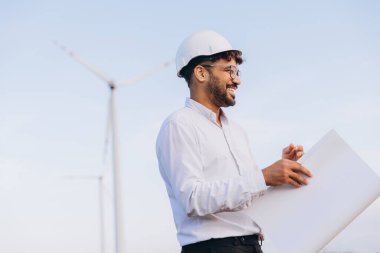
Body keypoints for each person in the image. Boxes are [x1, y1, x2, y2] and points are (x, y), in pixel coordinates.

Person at [156, 30, 312, 253]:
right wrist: (263, 176)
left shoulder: (237, 132)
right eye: (229, 70)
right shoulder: (179, 125)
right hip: (212, 249)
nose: (237, 79)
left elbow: (246, 195)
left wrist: (279, 175)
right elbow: (192, 199)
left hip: (252, 246)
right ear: (201, 73)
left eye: (237, 71)